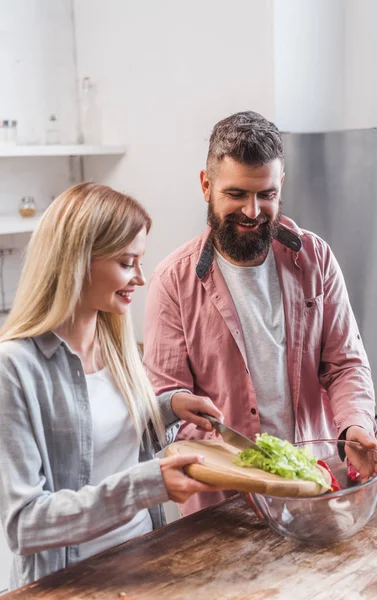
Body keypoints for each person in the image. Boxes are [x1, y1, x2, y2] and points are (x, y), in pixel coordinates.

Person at [143, 111, 377, 516]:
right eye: (236, 194)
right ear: (207, 186)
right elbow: (168, 409)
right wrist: (245, 473)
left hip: (315, 485)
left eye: (266, 195)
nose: (253, 211)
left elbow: (345, 364)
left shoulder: (314, 258)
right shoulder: (172, 282)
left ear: (281, 187)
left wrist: (356, 425)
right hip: (224, 506)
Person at [0, 182, 224, 590]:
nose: (140, 277)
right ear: (78, 262)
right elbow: (25, 525)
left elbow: (103, 434)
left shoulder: (116, 346)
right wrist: (146, 485)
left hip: (146, 561)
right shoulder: (14, 367)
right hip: (74, 582)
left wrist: (169, 408)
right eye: (127, 262)